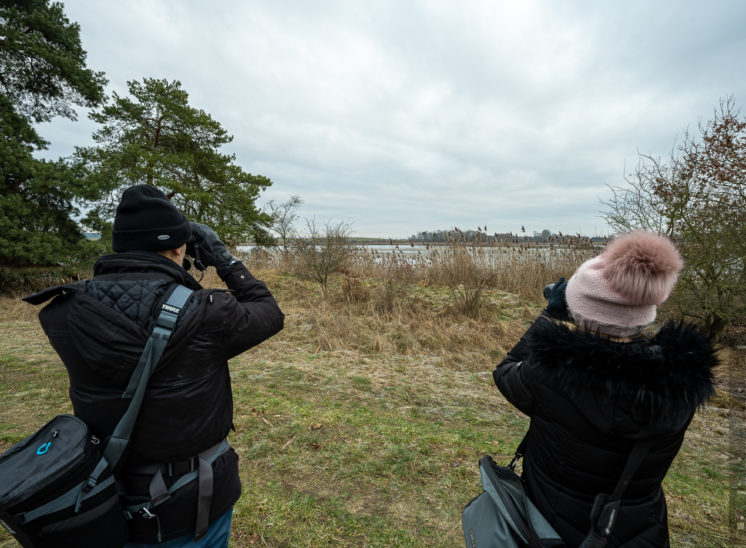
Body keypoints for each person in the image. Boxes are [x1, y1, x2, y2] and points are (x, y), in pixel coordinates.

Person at [27, 184, 284, 546]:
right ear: (180, 247)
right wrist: (224, 260)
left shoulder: (62, 310)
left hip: (105, 494)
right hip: (191, 500)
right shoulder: (205, 312)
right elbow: (269, 313)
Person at [493, 231, 717, 547]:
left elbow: (504, 373)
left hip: (553, 524)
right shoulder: (683, 380)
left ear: (579, 312)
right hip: (640, 529)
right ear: (646, 311)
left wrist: (549, 316)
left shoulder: (553, 374)